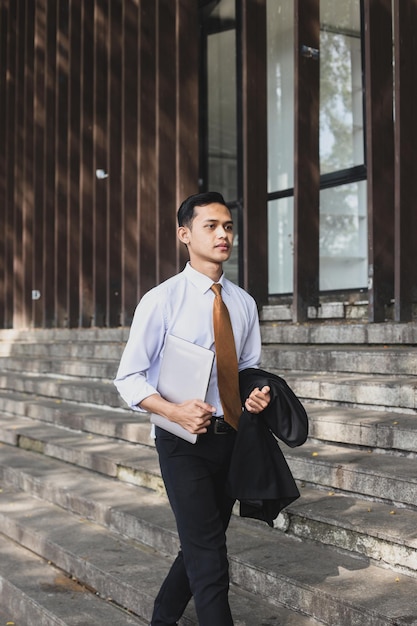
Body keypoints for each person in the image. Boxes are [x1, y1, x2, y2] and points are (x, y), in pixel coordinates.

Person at [114, 191, 271, 626]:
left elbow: (249, 368)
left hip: (232, 439)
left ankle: (163, 617)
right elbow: (128, 378)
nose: (223, 234)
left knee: (201, 545)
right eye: (211, 226)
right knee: (210, 559)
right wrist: (173, 411)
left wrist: (258, 393)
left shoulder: (242, 302)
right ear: (185, 234)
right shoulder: (161, 300)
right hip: (182, 443)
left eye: (228, 226)